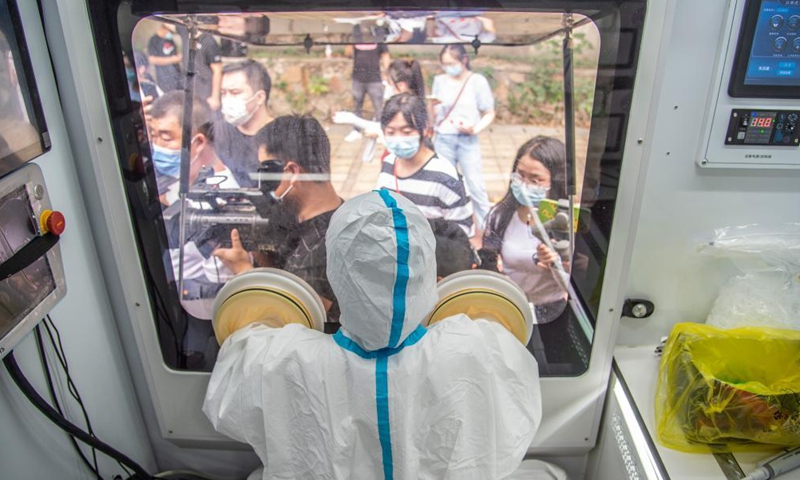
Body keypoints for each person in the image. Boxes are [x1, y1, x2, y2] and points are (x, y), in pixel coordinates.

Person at [203, 189, 542, 479]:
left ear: (336, 273)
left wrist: (247, 275)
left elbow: (235, 367)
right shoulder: (477, 350)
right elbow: (515, 398)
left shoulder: (281, 360)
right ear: (428, 275)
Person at [213, 115, 343, 328]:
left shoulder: (325, 250)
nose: (263, 184)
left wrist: (244, 272)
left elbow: (290, 329)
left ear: (292, 172)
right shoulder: (332, 214)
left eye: (266, 172)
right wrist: (260, 249)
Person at [148, 91, 239, 318]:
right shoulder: (179, 178)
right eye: (153, 135)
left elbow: (220, 282)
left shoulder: (222, 199)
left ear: (198, 142)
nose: (156, 146)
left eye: (166, 137)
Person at [481, 136, 568, 325]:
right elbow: (487, 261)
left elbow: (575, 289)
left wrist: (556, 264)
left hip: (550, 314)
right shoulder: (501, 214)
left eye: (536, 180)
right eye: (520, 175)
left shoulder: (564, 222)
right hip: (509, 307)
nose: (524, 184)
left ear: (557, 181)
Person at [375, 93, 475, 237]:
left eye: (406, 132)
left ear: (424, 130)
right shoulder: (388, 163)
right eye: (391, 132)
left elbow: (463, 233)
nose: (398, 139)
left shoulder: (445, 176)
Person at [431, 44, 495, 228]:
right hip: (443, 137)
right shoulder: (440, 80)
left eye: (451, 63)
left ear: (464, 60)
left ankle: (487, 230)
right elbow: (434, 115)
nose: (448, 67)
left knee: (475, 186)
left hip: (468, 139)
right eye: (444, 64)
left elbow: (489, 112)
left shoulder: (477, 81)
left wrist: (475, 128)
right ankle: (448, 229)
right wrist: (431, 106)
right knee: (444, 184)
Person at [214, 60, 274, 188]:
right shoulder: (217, 133)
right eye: (223, 93)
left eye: (235, 92)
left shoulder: (283, 137)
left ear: (259, 97)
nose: (227, 100)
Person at [344, 42, 390, 143]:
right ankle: (356, 131)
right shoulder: (356, 37)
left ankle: (380, 131)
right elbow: (347, 54)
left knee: (379, 107)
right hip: (357, 78)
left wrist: (387, 73)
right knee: (357, 106)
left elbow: (385, 55)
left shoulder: (377, 37)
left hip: (375, 79)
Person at [178, 27, 223, 110]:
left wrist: (215, 97)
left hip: (205, 91)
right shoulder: (185, 33)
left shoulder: (209, 41)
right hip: (189, 88)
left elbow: (217, 71)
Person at [147, 23, 183, 92]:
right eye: (170, 31)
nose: (171, 34)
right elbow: (152, 60)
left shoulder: (170, 40)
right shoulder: (154, 40)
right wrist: (172, 60)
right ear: (164, 28)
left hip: (177, 78)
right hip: (166, 80)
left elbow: (175, 53)